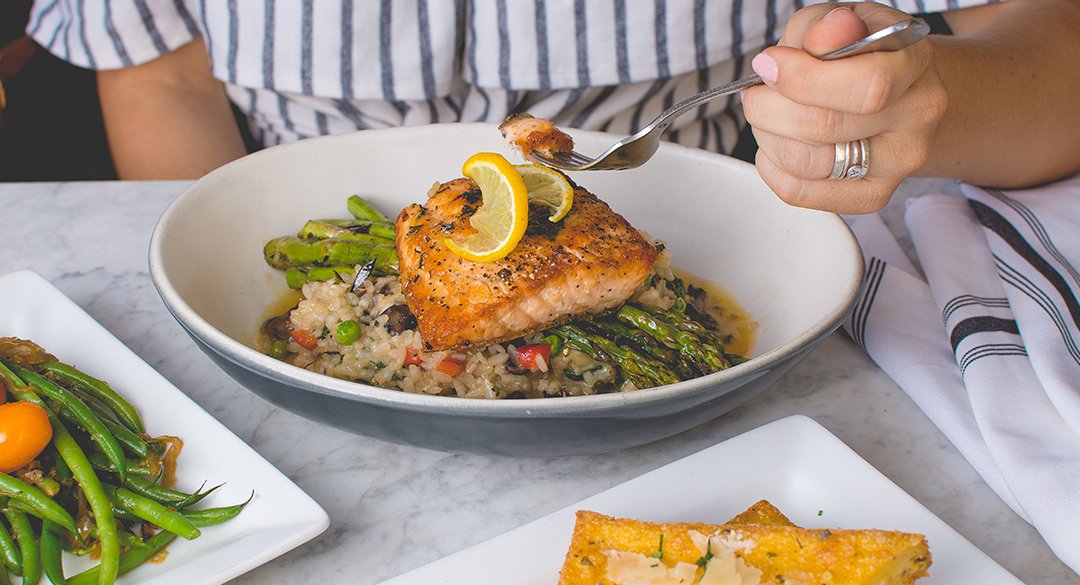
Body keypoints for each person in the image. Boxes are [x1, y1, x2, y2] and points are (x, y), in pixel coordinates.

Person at [24, 1, 1080, 213]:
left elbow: (1054, 50)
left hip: (722, 225)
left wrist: (916, 105)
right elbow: (162, 73)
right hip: (303, 249)